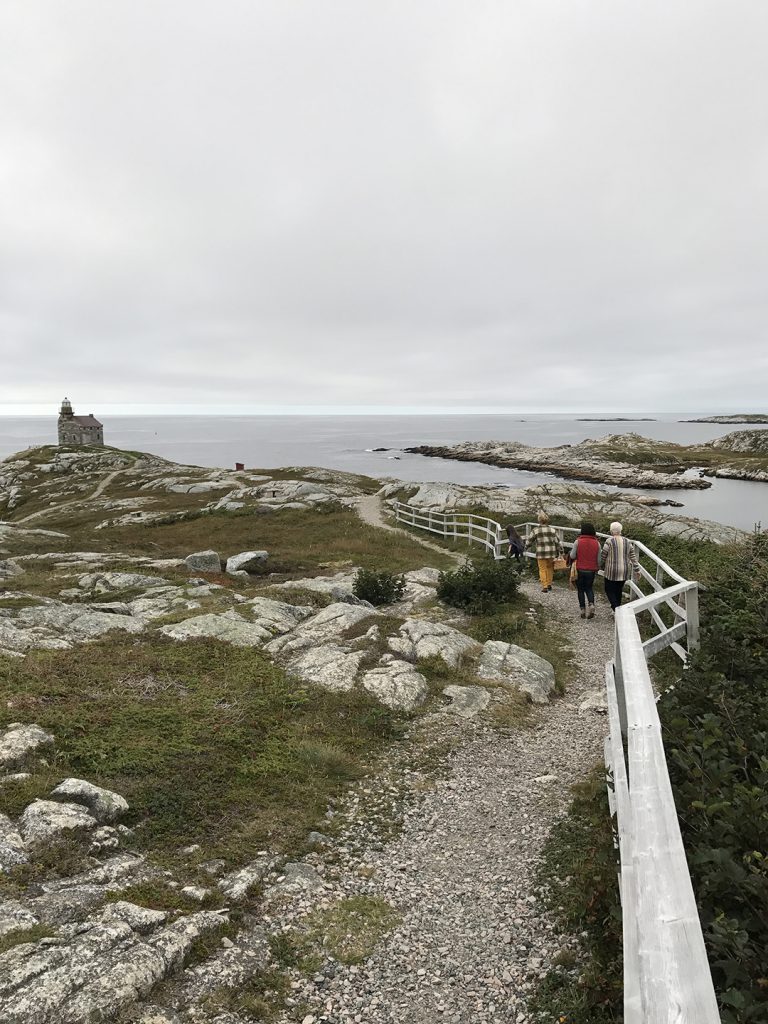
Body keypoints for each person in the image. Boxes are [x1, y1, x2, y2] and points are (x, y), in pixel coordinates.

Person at [600, 521, 640, 611]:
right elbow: (633, 556)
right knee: (618, 591)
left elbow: (603, 555)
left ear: (611, 531)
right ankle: (618, 610)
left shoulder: (609, 541)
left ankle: (616, 609)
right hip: (624, 570)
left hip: (611, 570)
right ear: (620, 530)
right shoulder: (627, 541)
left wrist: (599, 565)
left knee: (609, 589)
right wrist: (637, 570)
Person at [567, 522, 600, 619]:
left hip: (580, 568)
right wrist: (597, 567)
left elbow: (572, 555)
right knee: (589, 588)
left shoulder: (578, 541)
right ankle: (591, 604)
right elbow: (599, 560)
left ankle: (582, 609)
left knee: (580, 590)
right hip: (591, 570)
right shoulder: (597, 543)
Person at [526, 511, 563, 592]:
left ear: (539, 520)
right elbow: (558, 542)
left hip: (541, 553)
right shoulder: (553, 530)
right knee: (550, 568)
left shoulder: (535, 530)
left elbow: (529, 541)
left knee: (542, 569)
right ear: (547, 520)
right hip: (551, 553)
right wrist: (561, 551)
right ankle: (549, 584)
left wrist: (525, 547)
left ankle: (545, 586)